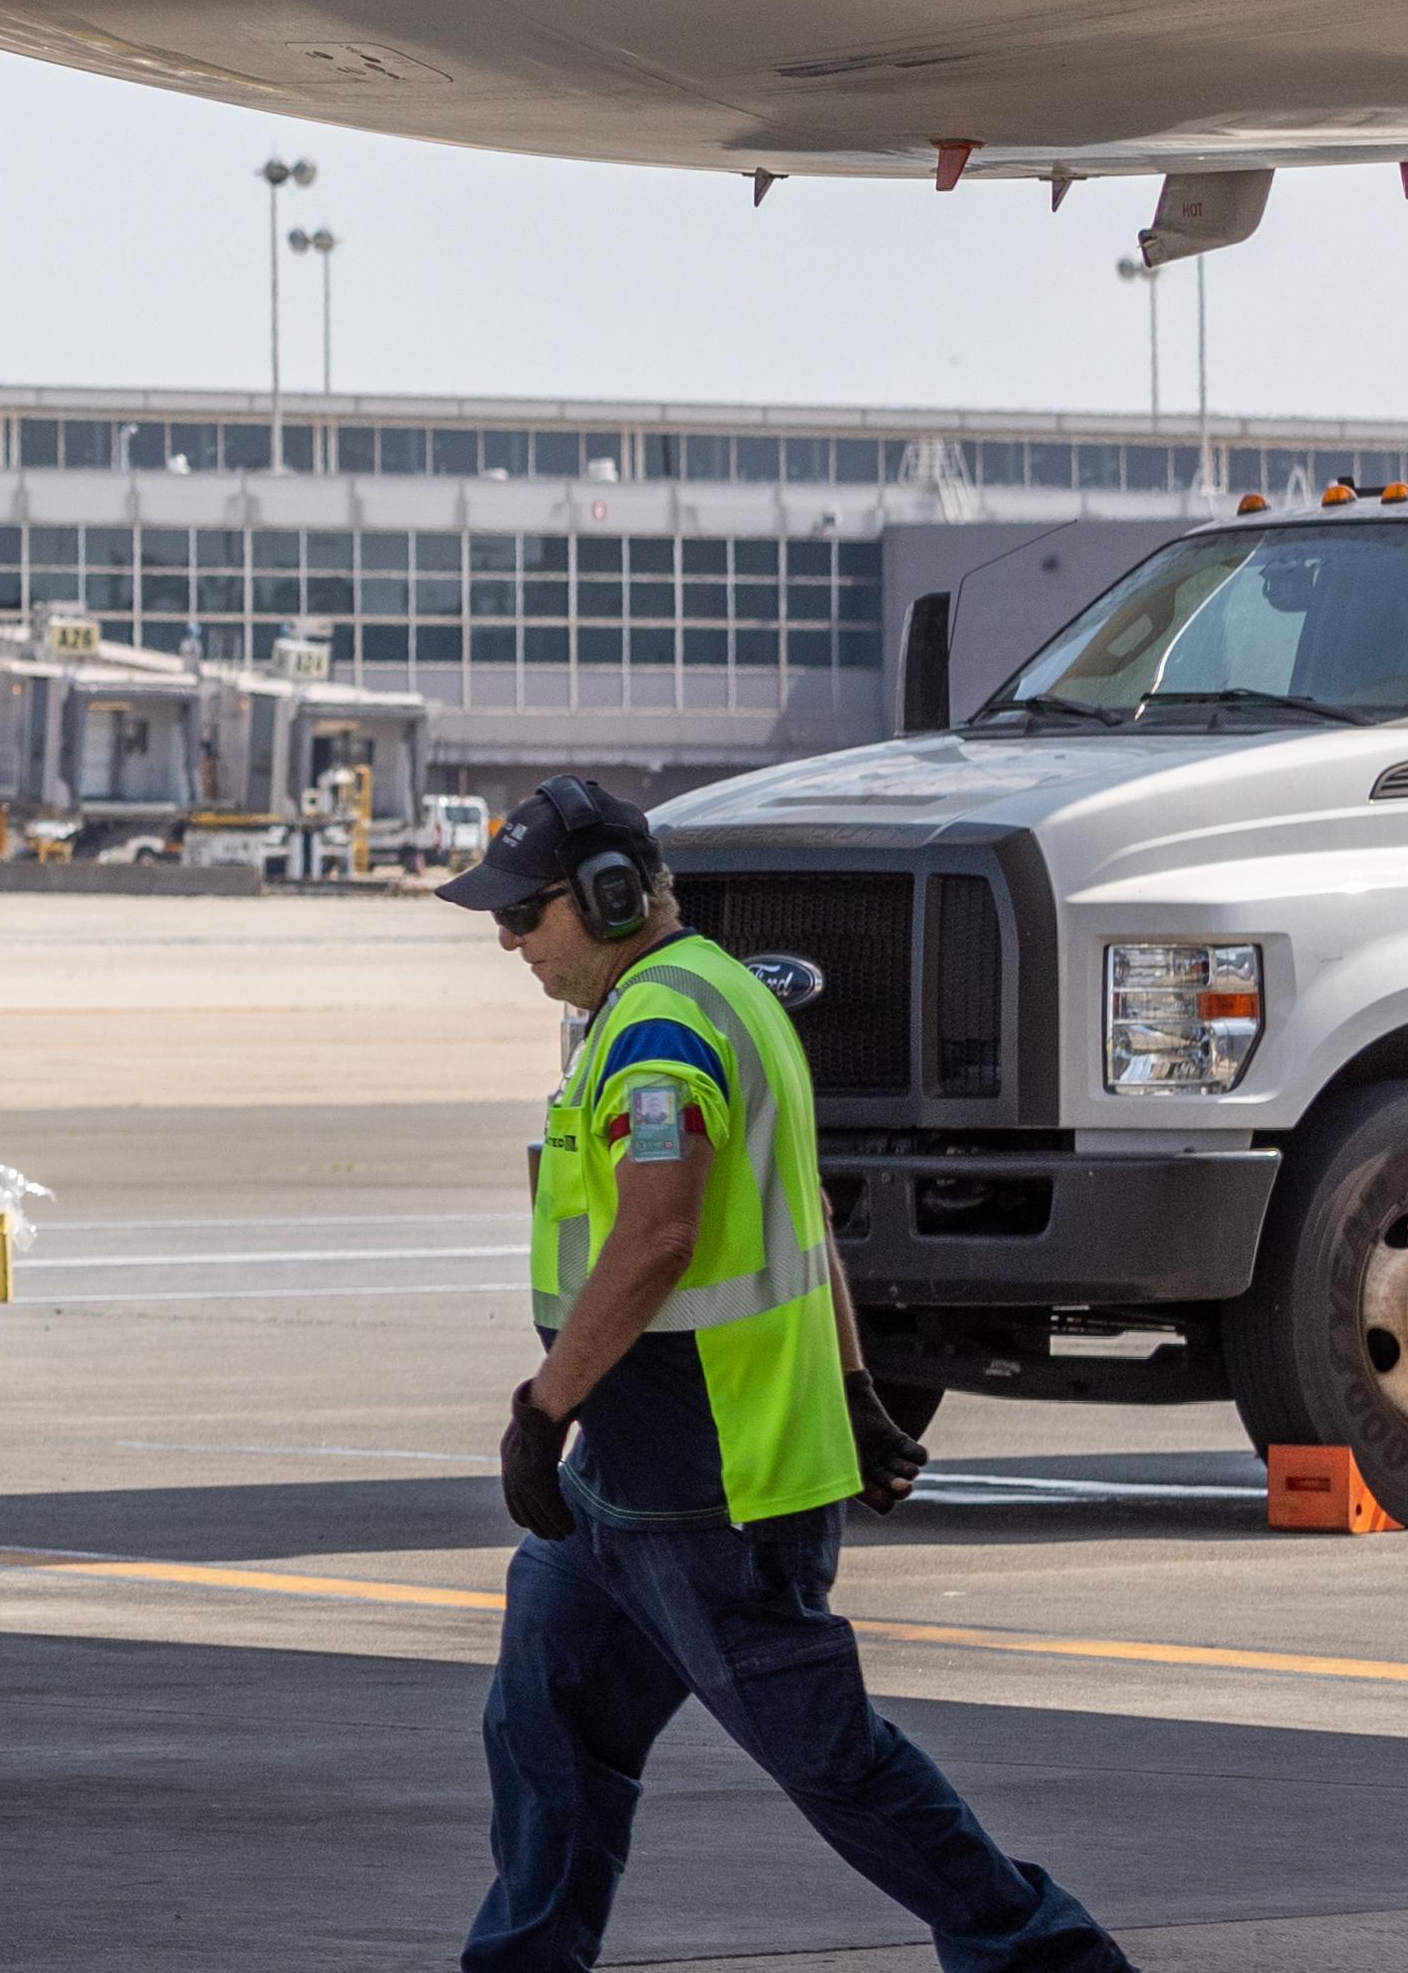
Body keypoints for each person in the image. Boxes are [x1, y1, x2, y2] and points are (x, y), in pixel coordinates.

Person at [450, 775, 1128, 1973]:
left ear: (609, 898)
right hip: (627, 1473)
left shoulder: (661, 1033)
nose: (507, 938)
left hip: (711, 1484)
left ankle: (1048, 1957)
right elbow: (800, 1214)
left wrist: (538, 1406)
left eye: (523, 912)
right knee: (543, 1722)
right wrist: (860, 1387)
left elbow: (661, 1231)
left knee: (832, 1761)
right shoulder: (714, 991)